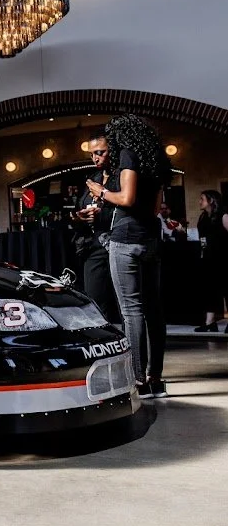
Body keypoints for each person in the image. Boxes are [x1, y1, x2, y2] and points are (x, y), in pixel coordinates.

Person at [86, 114, 173, 399]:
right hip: (151, 239)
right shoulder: (156, 161)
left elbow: (126, 199)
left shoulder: (127, 154)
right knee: (154, 310)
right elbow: (156, 208)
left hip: (126, 239)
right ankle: (156, 379)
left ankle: (138, 381)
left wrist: (101, 191)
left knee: (132, 311)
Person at [71, 131, 119, 323]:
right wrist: (81, 216)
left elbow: (127, 206)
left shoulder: (122, 176)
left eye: (100, 152)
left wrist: (102, 212)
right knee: (95, 302)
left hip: (118, 242)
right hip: (94, 246)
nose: (95, 158)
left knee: (124, 304)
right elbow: (78, 208)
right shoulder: (93, 178)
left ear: (112, 150)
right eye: (92, 154)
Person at [193, 189, 227, 333]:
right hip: (208, 258)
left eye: (202, 199)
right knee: (210, 291)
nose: (200, 202)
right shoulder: (203, 217)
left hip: (223, 258)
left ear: (211, 201)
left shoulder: (223, 216)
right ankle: (210, 322)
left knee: (226, 289)